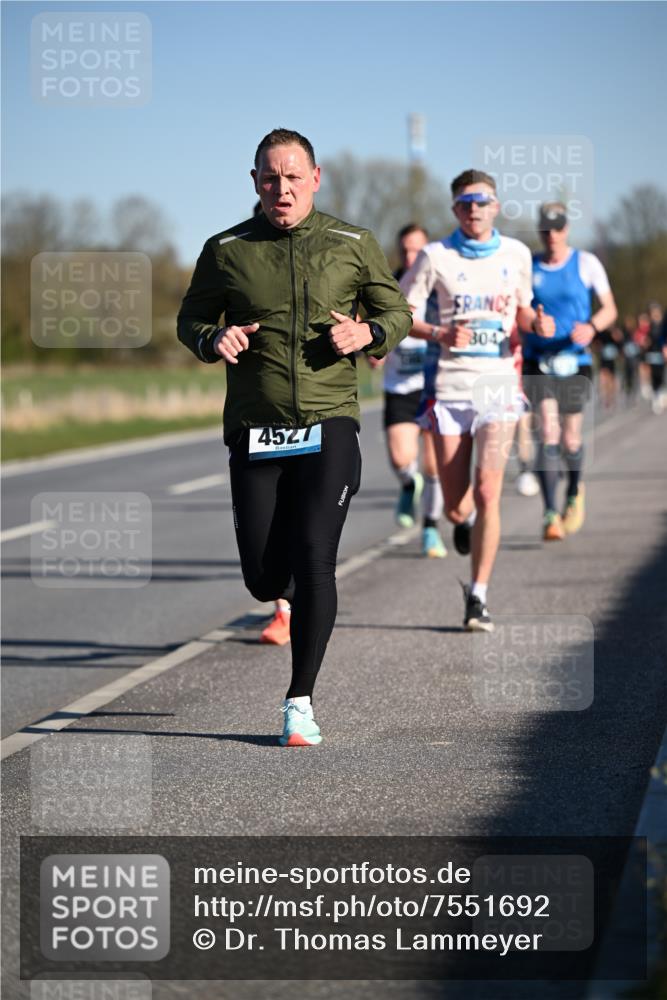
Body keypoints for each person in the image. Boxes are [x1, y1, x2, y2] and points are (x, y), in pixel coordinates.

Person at [177, 129, 411, 745]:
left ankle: (299, 701)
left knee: (315, 560)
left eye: (292, 176)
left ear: (315, 177)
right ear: (255, 181)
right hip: (256, 424)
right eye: (269, 177)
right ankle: (278, 598)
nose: (281, 188)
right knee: (262, 575)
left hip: (329, 418)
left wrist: (368, 335)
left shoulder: (353, 243)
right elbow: (191, 318)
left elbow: (397, 312)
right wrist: (213, 339)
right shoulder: (226, 249)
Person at [400, 169, 554, 631]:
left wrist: (535, 323)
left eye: (482, 202)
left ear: (496, 206)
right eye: (465, 203)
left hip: (499, 387)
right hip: (450, 389)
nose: (474, 210)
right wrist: (439, 331)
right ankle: (461, 521)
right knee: (455, 506)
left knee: (489, 490)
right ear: (454, 209)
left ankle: (479, 595)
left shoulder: (517, 254)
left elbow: (523, 307)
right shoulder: (434, 256)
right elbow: (402, 315)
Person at [522, 203, 618, 541]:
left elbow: (610, 309)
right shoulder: (528, 265)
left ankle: (574, 492)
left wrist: (591, 327)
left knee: (570, 438)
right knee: (547, 432)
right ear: (540, 232)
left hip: (575, 360)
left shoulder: (586, 263)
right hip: (539, 360)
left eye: (557, 229)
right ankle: (550, 514)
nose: (551, 236)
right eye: (545, 230)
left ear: (566, 230)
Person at [371, 224, 447, 557]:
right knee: (402, 459)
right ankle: (407, 484)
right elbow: (375, 332)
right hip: (400, 386)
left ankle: (430, 530)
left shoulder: (441, 288)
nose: (411, 256)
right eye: (406, 250)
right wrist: (375, 351)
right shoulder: (388, 288)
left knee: (433, 465)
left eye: (417, 250)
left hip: (434, 385)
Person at [644, 302, 666, 415]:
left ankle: (661, 395)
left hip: (661, 354)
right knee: (653, 376)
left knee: (661, 375)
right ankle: (655, 398)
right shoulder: (649, 326)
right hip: (652, 354)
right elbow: (646, 340)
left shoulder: (663, 325)